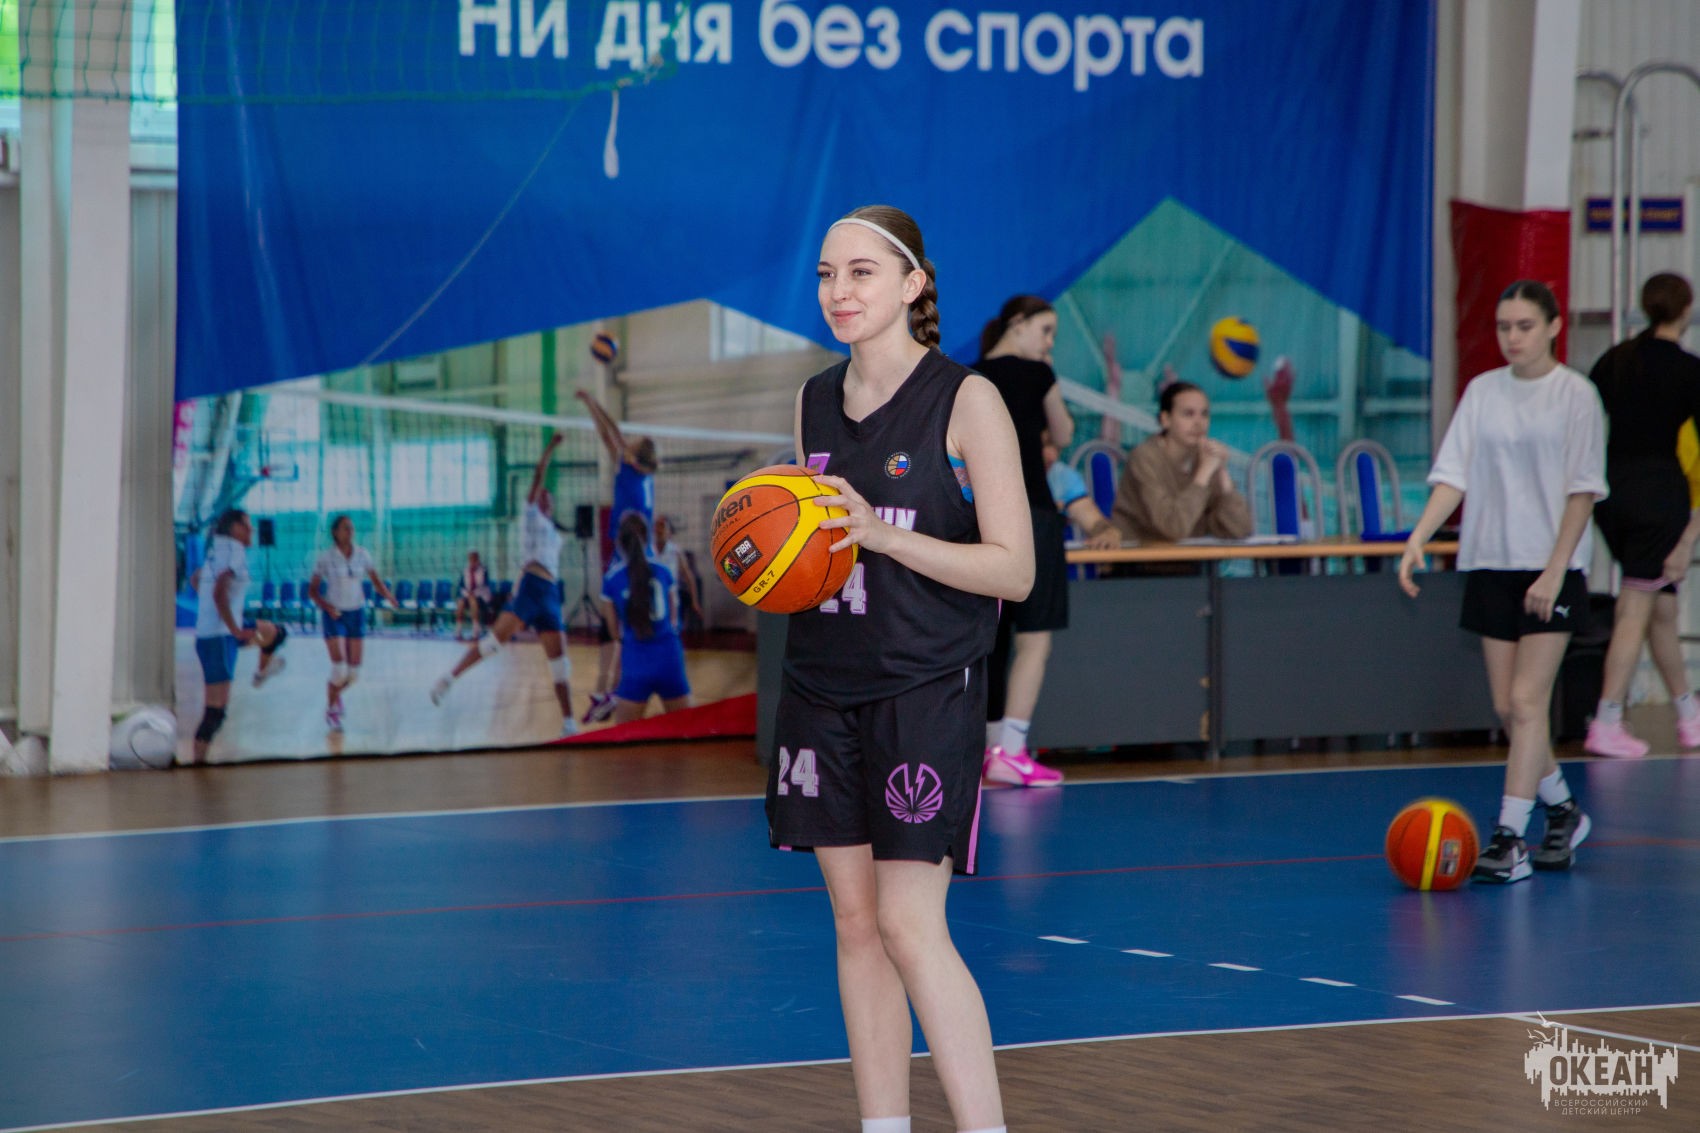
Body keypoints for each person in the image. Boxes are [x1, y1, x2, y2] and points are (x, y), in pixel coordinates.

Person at [771, 204, 1030, 1133]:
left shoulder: (967, 399)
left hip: (925, 684)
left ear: (914, 283)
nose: (838, 291)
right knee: (855, 925)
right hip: (819, 683)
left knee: (911, 926)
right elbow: (808, 546)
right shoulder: (810, 400)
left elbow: (1015, 569)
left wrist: (883, 535)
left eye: (861, 273)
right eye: (826, 274)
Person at [1398, 279, 1607, 884]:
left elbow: (1583, 491)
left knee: (1525, 702)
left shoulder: (1576, 395)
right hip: (1491, 562)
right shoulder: (1482, 391)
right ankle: (1563, 809)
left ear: (1553, 326)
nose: (1512, 337)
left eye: (1524, 326)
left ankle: (1510, 838)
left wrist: (1554, 569)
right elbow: (1454, 475)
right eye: (1503, 327)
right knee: (1507, 708)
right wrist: (1418, 536)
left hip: (1551, 569)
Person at [1584, 273, 1700, 757]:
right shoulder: (1688, 370)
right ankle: (1607, 719)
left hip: (1611, 495)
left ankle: (1688, 715)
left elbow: (1584, 416)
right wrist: (1689, 537)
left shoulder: (1616, 359)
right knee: (1636, 607)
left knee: (1660, 607)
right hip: (1657, 497)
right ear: (1686, 309)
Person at [972, 295, 1078, 788]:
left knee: (988, 639)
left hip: (977, 520)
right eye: (1046, 330)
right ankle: (1010, 751)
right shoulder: (1038, 374)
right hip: (1032, 515)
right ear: (1018, 324)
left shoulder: (967, 375)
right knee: (1034, 639)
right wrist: (1048, 384)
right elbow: (1065, 432)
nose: (1049, 343)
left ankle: (983, 751)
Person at [430, 433, 579, 736]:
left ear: (552, 504)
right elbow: (538, 476)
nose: (543, 496)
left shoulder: (554, 531)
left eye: (548, 496)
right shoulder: (530, 515)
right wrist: (550, 448)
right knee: (492, 643)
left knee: (560, 665)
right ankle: (448, 679)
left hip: (550, 593)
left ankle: (568, 724)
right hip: (531, 588)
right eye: (540, 494)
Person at [576, 387, 659, 724]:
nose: (626, 445)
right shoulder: (644, 476)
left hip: (628, 557)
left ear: (635, 456)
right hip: (637, 556)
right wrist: (594, 404)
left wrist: (592, 404)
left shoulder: (631, 473)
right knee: (620, 628)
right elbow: (613, 434)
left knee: (622, 628)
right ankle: (610, 690)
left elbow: (609, 433)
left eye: (631, 445)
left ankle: (615, 691)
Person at [190, 508, 288, 764]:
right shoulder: (235, 551)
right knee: (216, 712)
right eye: (246, 525)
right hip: (220, 638)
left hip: (216, 634)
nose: (251, 529)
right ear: (234, 528)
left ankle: (261, 673)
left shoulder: (217, 548)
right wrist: (234, 629)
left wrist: (212, 611)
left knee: (276, 633)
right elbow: (218, 592)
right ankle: (197, 762)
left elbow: (195, 579)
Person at [1109, 381, 1252, 543]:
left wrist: (1223, 475)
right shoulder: (1145, 457)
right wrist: (1203, 473)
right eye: (1188, 414)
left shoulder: (1206, 458)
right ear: (1165, 419)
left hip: (1189, 556)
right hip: (1139, 555)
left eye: (1204, 414)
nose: (1198, 423)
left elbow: (1240, 530)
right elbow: (1173, 528)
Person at [597, 512, 692, 721]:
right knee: (685, 731)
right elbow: (674, 620)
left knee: (626, 736)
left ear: (620, 542)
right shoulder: (664, 572)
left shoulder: (612, 579)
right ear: (647, 538)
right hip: (669, 659)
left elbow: (614, 632)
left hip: (636, 661)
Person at [309, 516, 396, 734]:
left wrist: (389, 596)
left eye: (352, 528)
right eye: (346, 528)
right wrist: (326, 606)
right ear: (335, 532)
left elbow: (376, 581)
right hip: (334, 614)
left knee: (354, 674)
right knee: (339, 668)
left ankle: (334, 692)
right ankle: (332, 709)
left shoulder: (363, 554)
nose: (350, 531)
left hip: (356, 613)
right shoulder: (326, 557)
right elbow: (312, 591)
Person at [1045, 435, 1121, 551]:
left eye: (1055, 446)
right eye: (1044, 445)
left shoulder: (1062, 476)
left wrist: (1108, 533)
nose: (1052, 456)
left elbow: (1093, 521)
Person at [650, 514, 701, 632]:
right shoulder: (648, 551)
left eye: (662, 526)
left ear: (669, 532)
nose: (659, 530)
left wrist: (694, 601)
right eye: (657, 526)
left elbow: (689, 577)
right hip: (652, 603)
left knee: (672, 633)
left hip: (671, 602)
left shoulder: (675, 552)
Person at [453, 550, 493, 641]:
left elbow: (484, 586)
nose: (472, 561)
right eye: (470, 559)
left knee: (473, 601)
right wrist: (467, 593)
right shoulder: (465, 570)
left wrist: (473, 593)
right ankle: (458, 630)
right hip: (468, 595)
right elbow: (461, 586)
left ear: (477, 559)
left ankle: (475, 630)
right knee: (460, 603)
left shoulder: (484, 570)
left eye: (474, 558)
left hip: (482, 597)